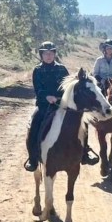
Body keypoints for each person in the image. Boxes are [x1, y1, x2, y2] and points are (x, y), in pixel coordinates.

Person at [24, 41, 69, 172]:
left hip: (61, 104)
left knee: (79, 121)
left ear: (54, 54)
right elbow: (37, 88)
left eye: (51, 53)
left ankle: (85, 151)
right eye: (45, 53)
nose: (48, 56)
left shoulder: (62, 69)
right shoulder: (37, 70)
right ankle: (32, 158)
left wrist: (59, 97)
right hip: (44, 106)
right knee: (33, 125)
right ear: (42, 55)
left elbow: (67, 86)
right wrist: (47, 97)